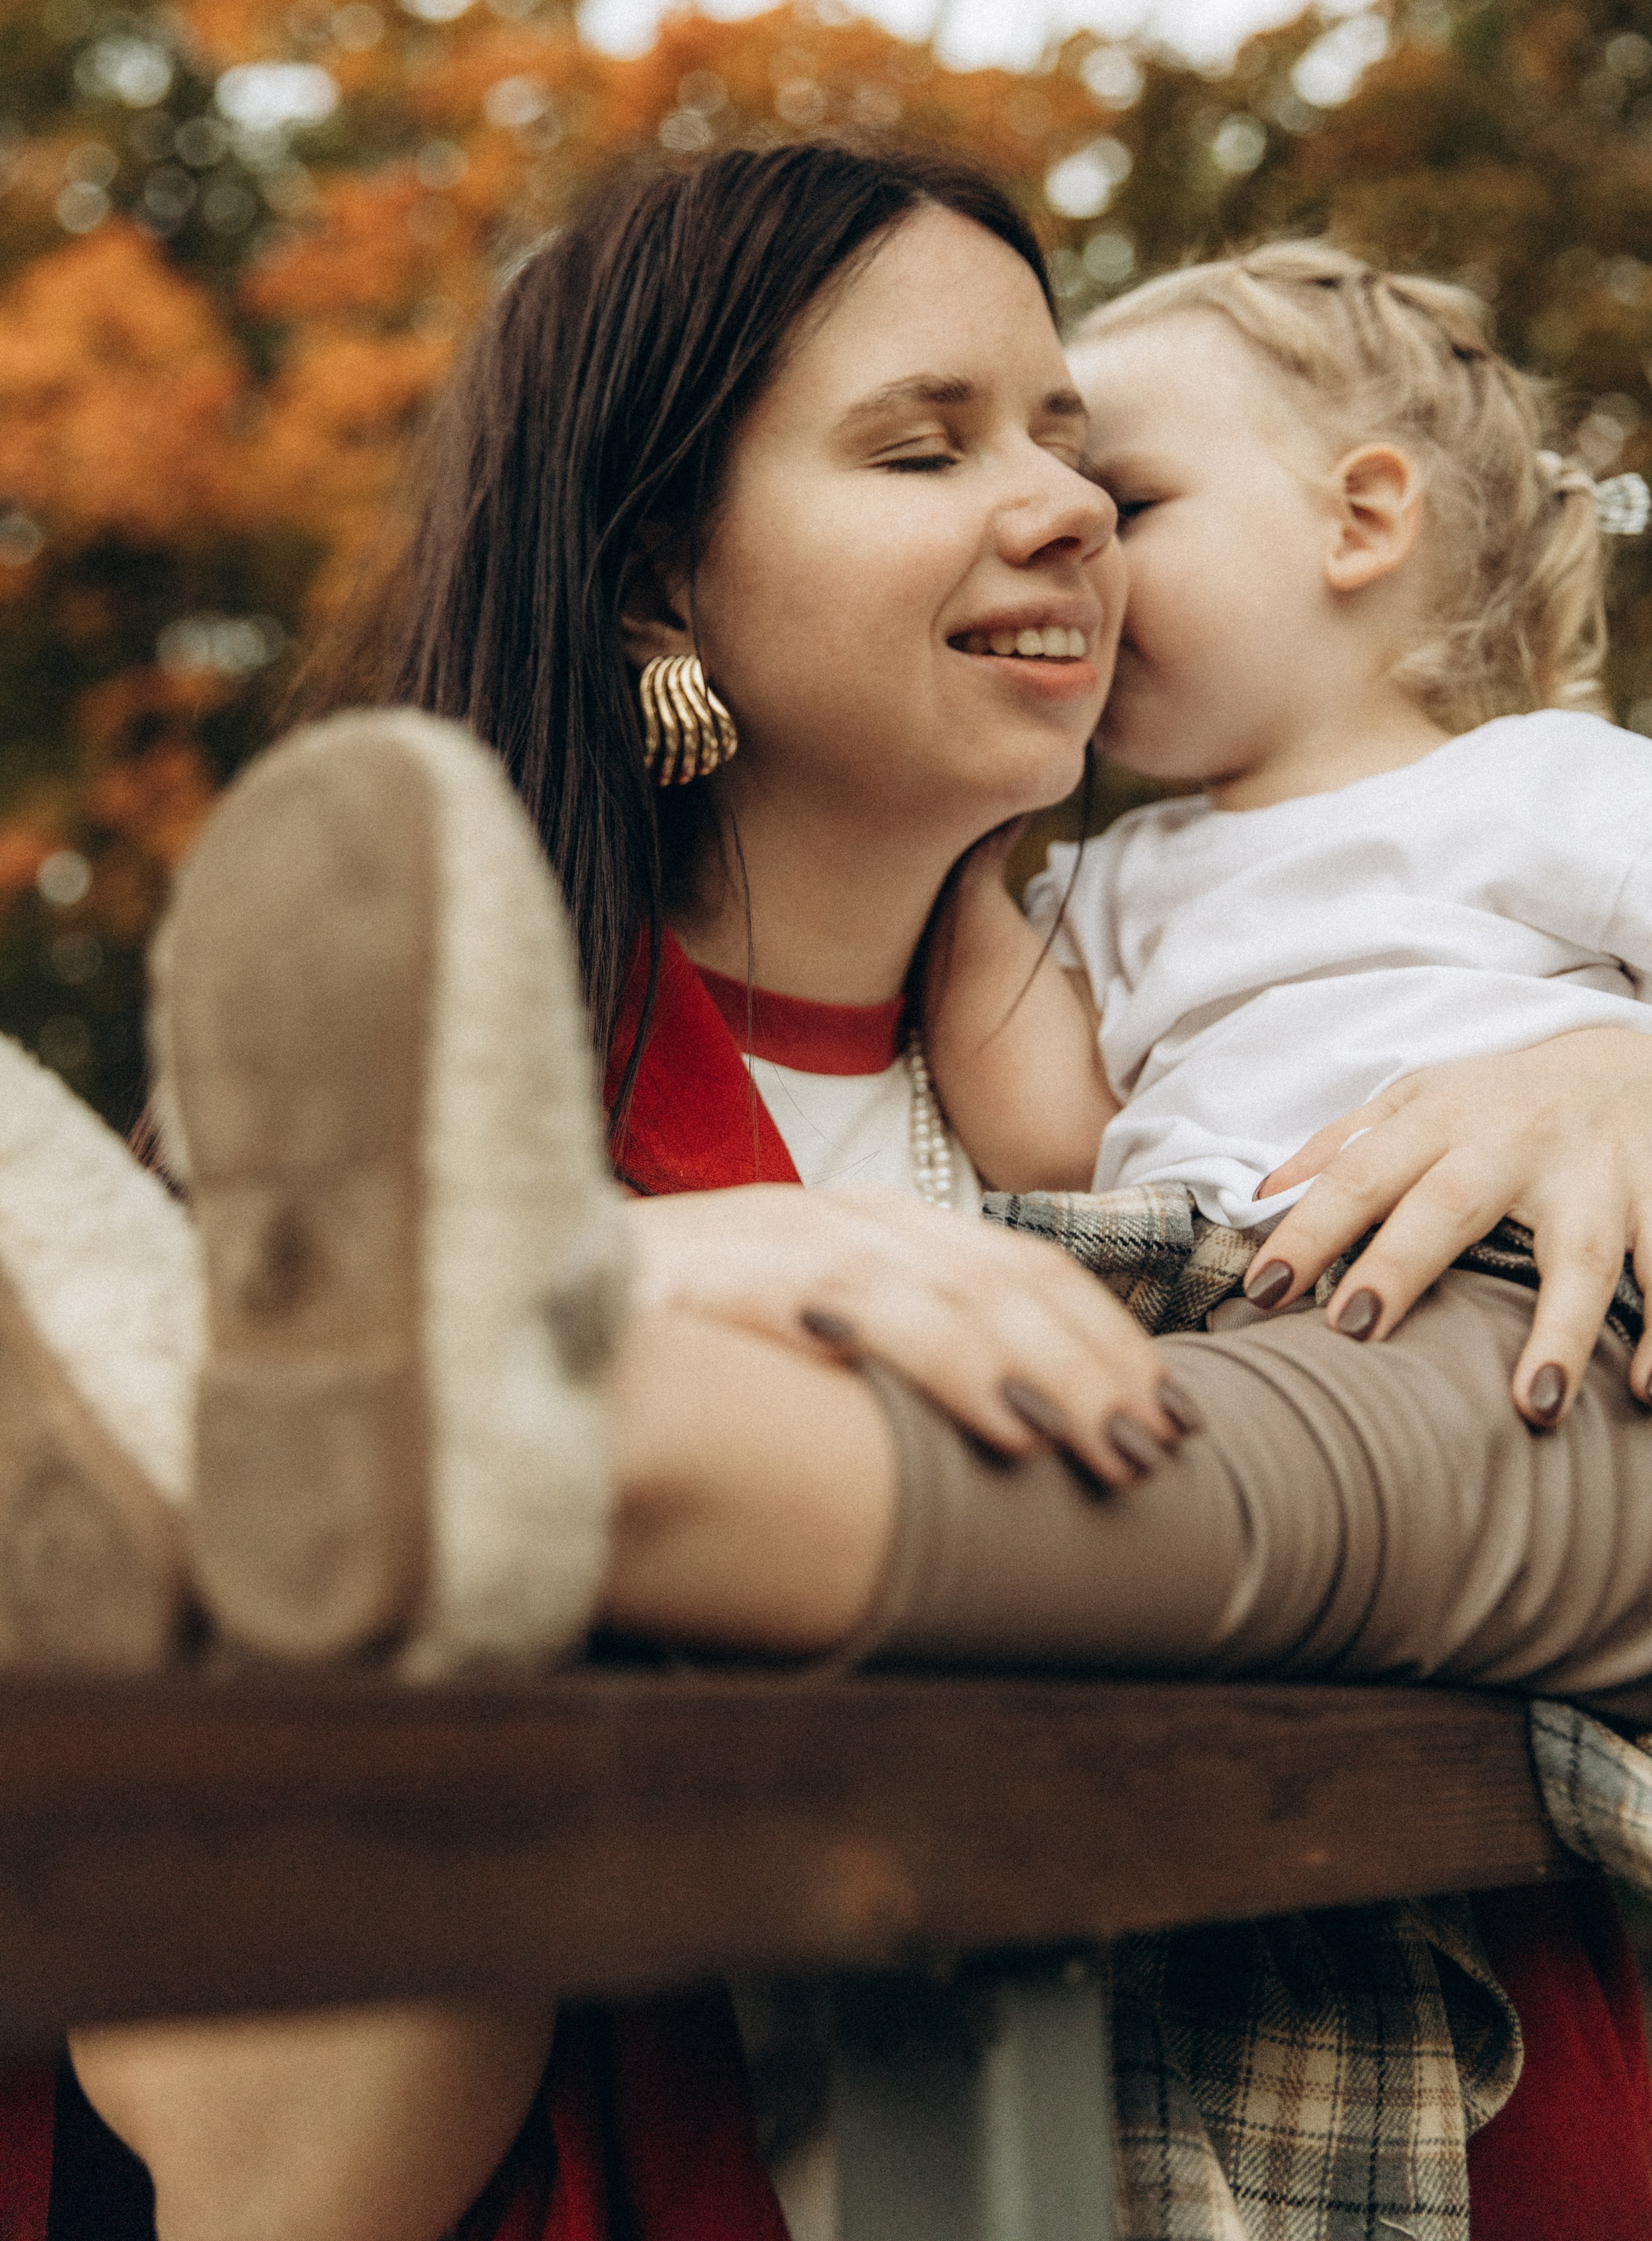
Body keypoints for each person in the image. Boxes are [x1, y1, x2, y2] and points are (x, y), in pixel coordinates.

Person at [17, 150, 1652, 2241]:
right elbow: (290, 2194)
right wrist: (618, 1272)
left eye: (1081, 449)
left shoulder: (1232, 1041)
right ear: (659, 584)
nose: (1065, 506)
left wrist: (1615, 1061)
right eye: (924, 443)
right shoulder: (367, 1133)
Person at [925, 239, 1652, 1436]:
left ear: (1360, 520)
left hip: (1498, 1265)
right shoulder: (1107, 870)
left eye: (1129, 505)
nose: (1080, 553)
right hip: (1194, 1288)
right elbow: (1056, 1140)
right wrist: (960, 833)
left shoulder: (1536, 780)